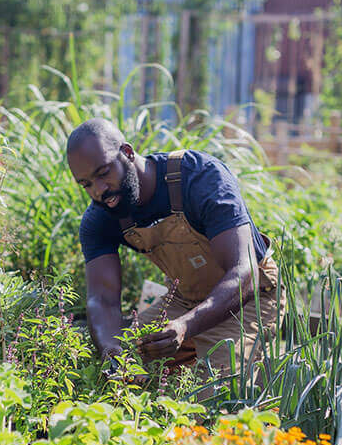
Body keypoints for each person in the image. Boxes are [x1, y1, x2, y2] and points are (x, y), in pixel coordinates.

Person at [66, 118, 282, 379]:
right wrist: (113, 353)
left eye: (103, 173)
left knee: (213, 400)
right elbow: (102, 299)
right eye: (86, 184)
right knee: (122, 373)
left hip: (249, 299)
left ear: (127, 153)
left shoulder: (199, 178)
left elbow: (244, 273)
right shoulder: (102, 216)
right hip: (184, 300)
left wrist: (185, 326)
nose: (99, 190)